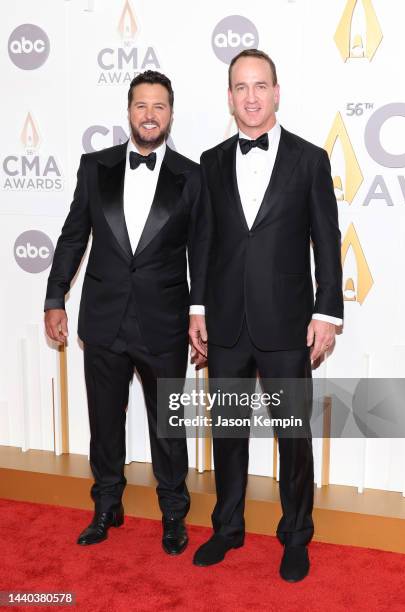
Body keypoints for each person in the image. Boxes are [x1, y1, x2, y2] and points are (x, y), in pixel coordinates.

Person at [189, 49, 343, 581]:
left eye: (260, 86)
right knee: (227, 432)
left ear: (276, 92)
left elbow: (326, 240)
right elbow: (203, 243)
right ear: (229, 97)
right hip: (226, 324)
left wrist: (328, 314)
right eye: (240, 87)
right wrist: (198, 308)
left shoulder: (309, 160)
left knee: (292, 438)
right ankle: (227, 528)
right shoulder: (209, 162)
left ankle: (295, 535)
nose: (250, 97)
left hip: (287, 325)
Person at [44, 70, 204, 555]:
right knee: (104, 422)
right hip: (105, 319)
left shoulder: (192, 176)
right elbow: (74, 236)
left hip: (165, 322)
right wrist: (55, 298)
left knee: (168, 427)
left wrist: (201, 315)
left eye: (159, 106)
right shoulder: (95, 167)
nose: (150, 114)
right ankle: (106, 506)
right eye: (141, 105)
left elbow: (202, 252)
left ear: (171, 114)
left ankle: (173, 513)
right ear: (128, 111)